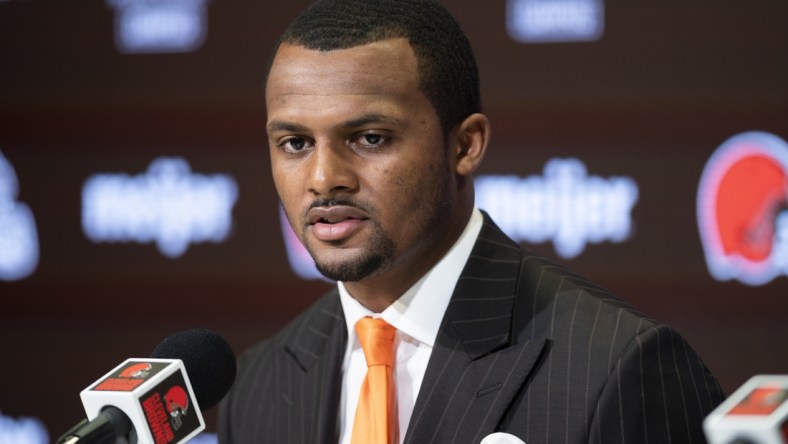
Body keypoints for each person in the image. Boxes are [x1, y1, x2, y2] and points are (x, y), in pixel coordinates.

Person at [218, 0, 725, 442]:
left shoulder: (618, 366)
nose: (324, 178)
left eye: (370, 138)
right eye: (295, 144)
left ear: (465, 145)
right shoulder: (259, 384)